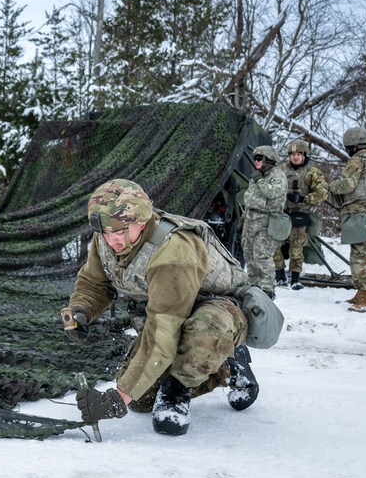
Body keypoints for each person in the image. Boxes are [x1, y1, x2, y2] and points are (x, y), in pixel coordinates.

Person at [63, 179, 258, 437]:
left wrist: (117, 398)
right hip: (167, 313)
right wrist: (79, 312)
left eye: (120, 231)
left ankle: (190, 381)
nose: (113, 240)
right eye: (106, 233)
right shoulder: (107, 238)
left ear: (142, 222)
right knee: (141, 400)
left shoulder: (172, 251)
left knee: (205, 332)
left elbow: (161, 336)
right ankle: (212, 366)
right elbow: (94, 282)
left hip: (218, 313)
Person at [328, 127, 366, 312]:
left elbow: (347, 185)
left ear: (351, 145)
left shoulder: (357, 160)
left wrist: (332, 186)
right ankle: (362, 293)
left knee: (360, 256)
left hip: (362, 213)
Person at [273, 140, 329, 290]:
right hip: (281, 214)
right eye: (292, 154)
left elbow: (323, 192)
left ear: (304, 155)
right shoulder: (281, 170)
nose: (295, 157)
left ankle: (295, 279)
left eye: (298, 154)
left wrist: (304, 199)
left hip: (299, 214)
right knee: (275, 245)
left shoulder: (312, 172)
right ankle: (279, 276)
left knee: (296, 248)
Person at [241, 145, 288, 298]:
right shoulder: (256, 177)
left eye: (259, 158)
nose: (256, 161)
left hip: (266, 221)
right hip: (250, 219)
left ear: (269, 160)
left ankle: (268, 289)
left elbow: (272, 192)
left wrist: (259, 180)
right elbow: (249, 198)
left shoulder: (277, 176)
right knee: (249, 255)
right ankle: (253, 286)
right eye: (255, 158)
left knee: (262, 256)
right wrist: (243, 219)